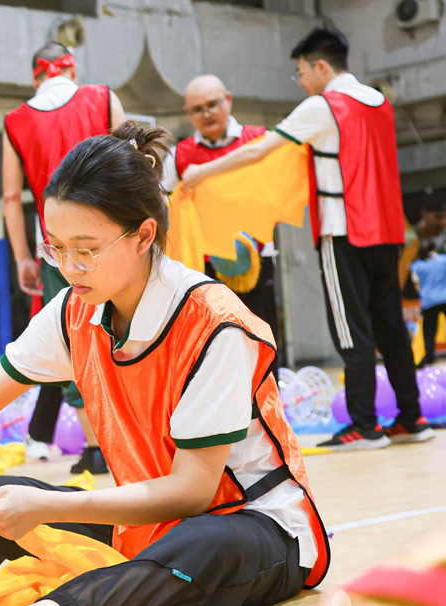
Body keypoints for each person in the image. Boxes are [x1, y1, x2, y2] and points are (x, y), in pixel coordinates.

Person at [0, 124, 330, 606]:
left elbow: (192, 492)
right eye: (56, 249)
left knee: (202, 546)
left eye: (86, 250)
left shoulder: (216, 325)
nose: (68, 268)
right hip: (147, 522)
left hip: (251, 528)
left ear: (143, 236)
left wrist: (50, 507)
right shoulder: (74, 310)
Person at [180, 28, 432, 448]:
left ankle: (364, 425)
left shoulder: (323, 106)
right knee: (390, 326)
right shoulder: (379, 101)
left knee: (350, 329)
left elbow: (261, 150)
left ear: (321, 66)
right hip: (388, 230)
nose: (300, 82)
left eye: (301, 73)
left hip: (344, 229)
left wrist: (201, 171)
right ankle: (412, 418)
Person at [4, 40, 127, 473]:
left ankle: (95, 448)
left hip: (58, 248)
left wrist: (23, 257)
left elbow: (10, 197)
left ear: (35, 77)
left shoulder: (15, 120)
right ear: (72, 70)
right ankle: (139, 438)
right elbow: (134, 164)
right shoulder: (103, 97)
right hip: (117, 235)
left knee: (77, 338)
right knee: (134, 328)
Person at [162, 75, 281, 363]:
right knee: (212, 347)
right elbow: (161, 204)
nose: (206, 114)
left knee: (260, 343)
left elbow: (281, 188)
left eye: (212, 104)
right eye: (197, 109)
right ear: (188, 113)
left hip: (256, 259)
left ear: (228, 100)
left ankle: (265, 395)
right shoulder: (179, 155)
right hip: (203, 268)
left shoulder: (261, 139)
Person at [412, 242, 446, 367]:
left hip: (428, 301)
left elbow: (417, 285)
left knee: (429, 332)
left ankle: (430, 359)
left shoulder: (416, 266)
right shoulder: (444, 260)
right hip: (445, 297)